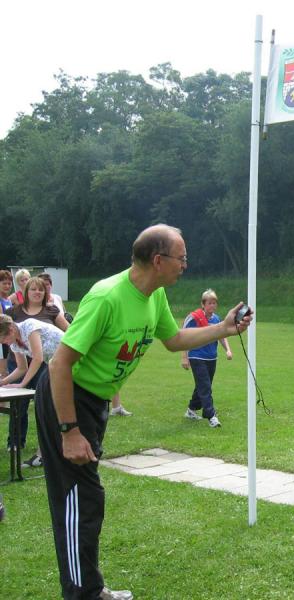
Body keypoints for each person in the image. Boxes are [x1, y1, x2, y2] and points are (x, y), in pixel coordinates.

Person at [36, 224, 252, 600]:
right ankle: (83, 594)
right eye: (182, 257)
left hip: (94, 402)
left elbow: (175, 340)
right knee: (78, 499)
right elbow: (59, 364)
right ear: (158, 260)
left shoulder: (154, 296)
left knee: (88, 499)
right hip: (67, 399)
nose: (185, 264)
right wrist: (69, 430)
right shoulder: (107, 297)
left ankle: (90, 589)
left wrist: (224, 328)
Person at [7, 276, 70, 466]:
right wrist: (4, 382)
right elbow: (21, 367)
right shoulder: (14, 336)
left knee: (48, 408)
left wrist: (23, 383)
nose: (37, 293)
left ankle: (46, 454)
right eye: (33, 289)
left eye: (40, 290)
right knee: (44, 408)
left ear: (10, 331)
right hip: (51, 364)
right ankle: (43, 452)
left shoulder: (30, 325)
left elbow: (38, 358)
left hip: (63, 363)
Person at [181, 288, 233, 428]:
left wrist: (228, 350)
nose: (212, 305)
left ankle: (191, 410)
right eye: (209, 303)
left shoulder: (216, 319)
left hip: (211, 358)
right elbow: (183, 335)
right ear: (203, 304)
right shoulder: (194, 318)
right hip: (196, 356)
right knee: (205, 387)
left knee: (203, 385)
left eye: (214, 303)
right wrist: (184, 357)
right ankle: (211, 416)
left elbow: (221, 335)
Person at [0, 269, 13, 378]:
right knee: (3, 369)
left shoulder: (8, 299)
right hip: (2, 335)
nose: (7, 286)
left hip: (8, 334)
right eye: (4, 283)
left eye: (9, 283)